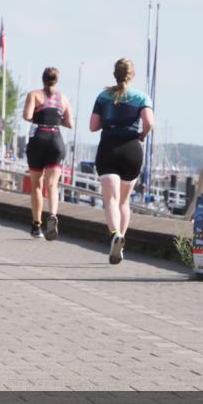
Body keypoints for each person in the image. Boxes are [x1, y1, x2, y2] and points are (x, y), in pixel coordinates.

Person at [89, 58, 154, 264]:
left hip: (108, 147)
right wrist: (142, 135)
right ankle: (121, 242)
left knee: (111, 200)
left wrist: (110, 120)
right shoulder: (141, 97)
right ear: (132, 75)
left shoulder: (103, 96)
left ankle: (115, 234)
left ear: (114, 74)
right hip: (131, 149)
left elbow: (93, 126)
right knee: (124, 201)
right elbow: (149, 122)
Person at [23, 67, 74, 240]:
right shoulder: (63, 98)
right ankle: (52, 215)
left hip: (39, 138)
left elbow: (27, 115)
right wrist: (56, 118)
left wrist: (40, 116)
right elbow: (70, 123)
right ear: (56, 80)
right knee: (52, 184)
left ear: (42, 79)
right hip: (56, 139)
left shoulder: (34, 95)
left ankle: (36, 225)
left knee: (36, 184)